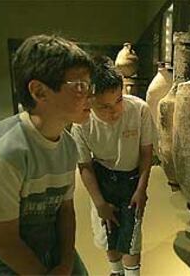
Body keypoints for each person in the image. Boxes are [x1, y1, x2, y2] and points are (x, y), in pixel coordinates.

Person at [0, 34, 93, 275]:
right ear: (39, 91)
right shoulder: (1, 152)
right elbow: (3, 243)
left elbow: (65, 210)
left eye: (88, 85)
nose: (89, 95)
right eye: (79, 86)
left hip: (43, 244)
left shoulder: (68, 145)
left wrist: (65, 262)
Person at [71, 56, 155, 276]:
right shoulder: (81, 123)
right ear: (89, 100)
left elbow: (146, 153)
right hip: (102, 180)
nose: (115, 111)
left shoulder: (139, 110)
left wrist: (141, 189)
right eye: (104, 106)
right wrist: (99, 203)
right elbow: (85, 166)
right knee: (107, 231)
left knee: (131, 236)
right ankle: (115, 272)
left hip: (131, 179)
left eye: (119, 100)